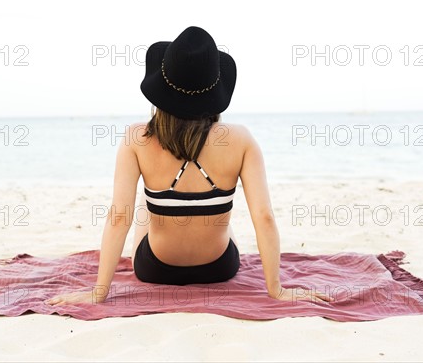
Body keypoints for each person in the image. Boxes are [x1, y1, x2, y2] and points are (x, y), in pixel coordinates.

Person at [46, 26, 333, 306]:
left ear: (162, 85)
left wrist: (99, 292)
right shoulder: (241, 139)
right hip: (218, 269)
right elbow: (264, 217)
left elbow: (119, 217)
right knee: (223, 223)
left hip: (155, 270)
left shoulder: (136, 138)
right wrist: (276, 289)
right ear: (214, 88)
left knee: (147, 210)